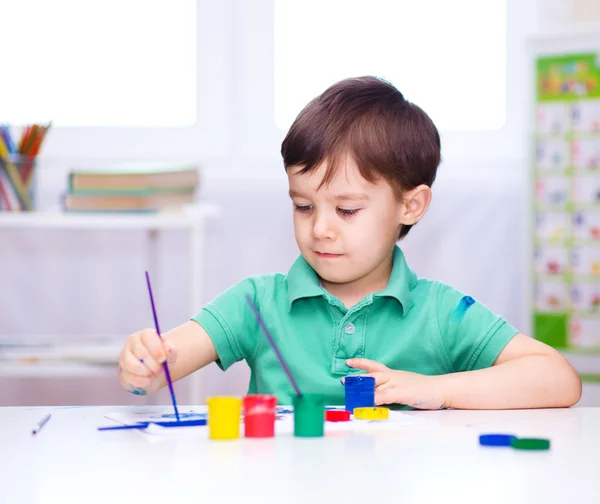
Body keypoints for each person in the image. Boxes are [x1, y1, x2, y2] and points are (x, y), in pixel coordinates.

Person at [117, 76, 581, 409]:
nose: (320, 228)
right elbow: (163, 366)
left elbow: (557, 379)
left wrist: (436, 389)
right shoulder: (256, 302)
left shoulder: (439, 313)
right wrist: (146, 363)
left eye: (347, 210)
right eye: (303, 206)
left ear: (411, 206)